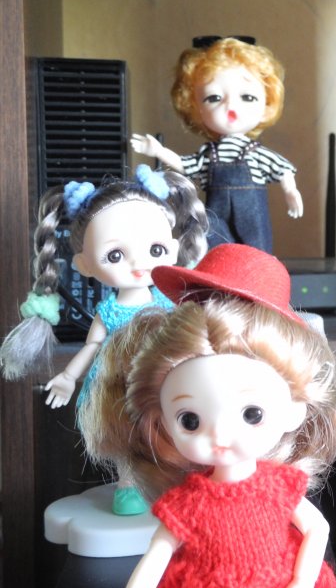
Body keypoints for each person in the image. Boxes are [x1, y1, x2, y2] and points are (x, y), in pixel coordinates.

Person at [83, 245, 336, 587]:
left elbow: (317, 528)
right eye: (190, 421)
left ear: (294, 412)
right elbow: (157, 554)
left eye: (252, 414)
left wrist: (301, 581)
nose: (220, 435)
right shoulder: (188, 503)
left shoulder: (279, 488)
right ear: (161, 421)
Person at [0, 164, 208, 514]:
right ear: (84, 265)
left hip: (165, 378)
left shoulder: (170, 302)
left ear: (173, 248)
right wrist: (68, 377)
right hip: (118, 381)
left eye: (155, 249)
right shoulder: (109, 312)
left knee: (171, 429)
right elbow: (93, 346)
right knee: (125, 434)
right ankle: (129, 486)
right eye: (115, 255)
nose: (138, 263)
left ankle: (175, 482)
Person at [131, 36, 302, 253]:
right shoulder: (208, 153)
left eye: (247, 97)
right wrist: (158, 151)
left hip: (251, 212)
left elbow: (282, 169)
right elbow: (185, 165)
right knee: (214, 241)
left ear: (266, 104)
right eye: (213, 98)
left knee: (256, 246)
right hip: (216, 210)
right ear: (195, 108)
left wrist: (290, 190)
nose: (231, 107)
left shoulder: (256, 153)